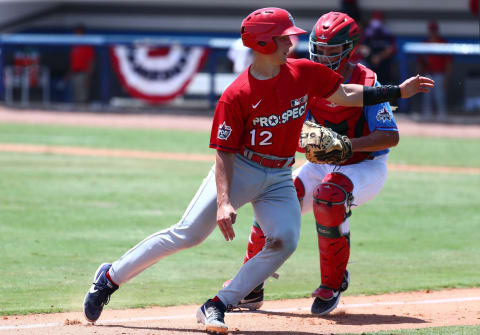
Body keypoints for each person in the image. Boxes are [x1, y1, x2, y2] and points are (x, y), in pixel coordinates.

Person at [82, 7, 433, 334]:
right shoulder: (236, 95)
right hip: (244, 169)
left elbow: (345, 94)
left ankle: (219, 304)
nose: (291, 43)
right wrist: (223, 200)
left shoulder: (303, 72)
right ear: (264, 43)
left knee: (285, 241)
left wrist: (397, 91)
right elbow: (224, 153)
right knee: (189, 234)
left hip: (280, 175)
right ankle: (110, 277)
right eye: (284, 38)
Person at [225, 10, 403, 316]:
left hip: (364, 165)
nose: (322, 57)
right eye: (318, 49)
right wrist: (305, 143)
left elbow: (389, 136)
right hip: (325, 164)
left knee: (330, 197)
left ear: (349, 50)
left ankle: (332, 283)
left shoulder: (367, 81)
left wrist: (345, 147)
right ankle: (251, 286)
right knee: (277, 199)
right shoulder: (304, 77)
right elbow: (291, 127)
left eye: (331, 51)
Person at [418, 21, 452, 120]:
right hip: (427, 74)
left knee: (440, 97)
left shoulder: (443, 42)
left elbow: (448, 62)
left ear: (437, 31)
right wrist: (418, 76)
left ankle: (442, 118)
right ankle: (426, 120)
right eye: (431, 30)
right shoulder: (425, 43)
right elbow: (420, 62)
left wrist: (447, 77)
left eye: (434, 30)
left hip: (440, 74)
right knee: (427, 97)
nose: (432, 32)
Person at [363, 11, 397, 84]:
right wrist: (370, 55)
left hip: (385, 66)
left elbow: (392, 49)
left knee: (385, 86)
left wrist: (379, 57)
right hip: (371, 65)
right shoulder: (368, 33)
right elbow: (364, 47)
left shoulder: (387, 34)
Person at [69, 24, 95, 103]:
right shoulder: (74, 45)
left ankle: (83, 113)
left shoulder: (87, 45)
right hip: (74, 73)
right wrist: (69, 73)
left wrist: (88, 76)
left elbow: (91, 61)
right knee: (75, 96)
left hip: (82, 73)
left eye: (78, 32)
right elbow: (72, 61)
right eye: (76, 32)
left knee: (82, 98)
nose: (76, 34)